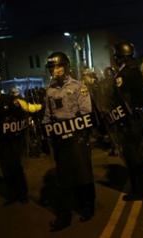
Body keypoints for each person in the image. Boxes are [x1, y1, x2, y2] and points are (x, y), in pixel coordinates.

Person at [42, 52, 96, 231]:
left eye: (58, 66)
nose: (55, 70)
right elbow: (48, 116)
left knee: (83, 173)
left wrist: (78, 130)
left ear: (65, 67)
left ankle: (88, 207)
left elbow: (86, 111)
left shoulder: (79, 87)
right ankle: (64, 216)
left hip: (77, 138)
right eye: (52, 68)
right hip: (60, 141)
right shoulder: (49, 90)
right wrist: (46, 134)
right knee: (63, 178)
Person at [0, 74, 40, 206]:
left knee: (16, 166)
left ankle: (23, 194)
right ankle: (12, 194)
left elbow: (21, 116)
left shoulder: (9, 99)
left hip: (13, 140)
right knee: (5, 168)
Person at [111, 41, 143, 201]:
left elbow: (123, 98)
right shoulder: (136, 70)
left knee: (132, 155)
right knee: (137, 154)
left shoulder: (124, 73)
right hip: (138, 116)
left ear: (120, 57)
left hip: (129, 119)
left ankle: (140, 190)